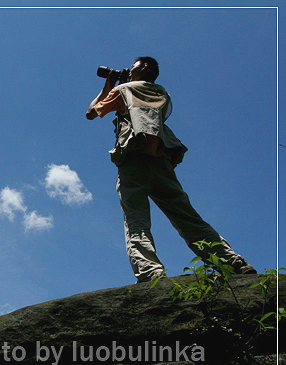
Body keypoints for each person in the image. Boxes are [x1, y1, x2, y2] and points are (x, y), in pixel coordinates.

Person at [86, 56, 256, 283]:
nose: (130, 69)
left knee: (136, 221)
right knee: (188, 218)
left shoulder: (125, 89)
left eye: (133, 65)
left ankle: (151, 273)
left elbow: (91, 112)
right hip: (161, 160)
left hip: (133, 160)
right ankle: (232, 261)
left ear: (143, 67)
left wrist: (108, 86)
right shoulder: (162, 93)